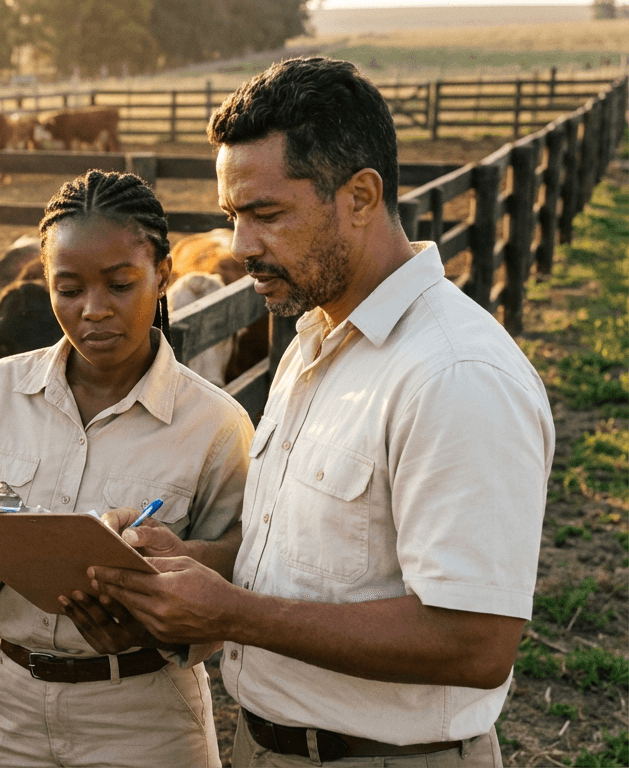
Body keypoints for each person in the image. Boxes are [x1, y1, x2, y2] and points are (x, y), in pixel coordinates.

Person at [84, 57, 555, 767]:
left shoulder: (456, 375)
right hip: (266, 744)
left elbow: (477, 643)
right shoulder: (313, 340)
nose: (241, 247)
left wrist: (231, 613)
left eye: (266, 214)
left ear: (360, 196)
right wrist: (191, 567)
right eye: (232, 217)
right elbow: (311, 558)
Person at [0, 169, 254, 768]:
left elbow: (236, 589)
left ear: (162, 277)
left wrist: (158, 605)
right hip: (7, 705)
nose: (93, 311)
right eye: (69, 288)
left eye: (120, 284)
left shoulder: (216, 424)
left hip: (143, 712)